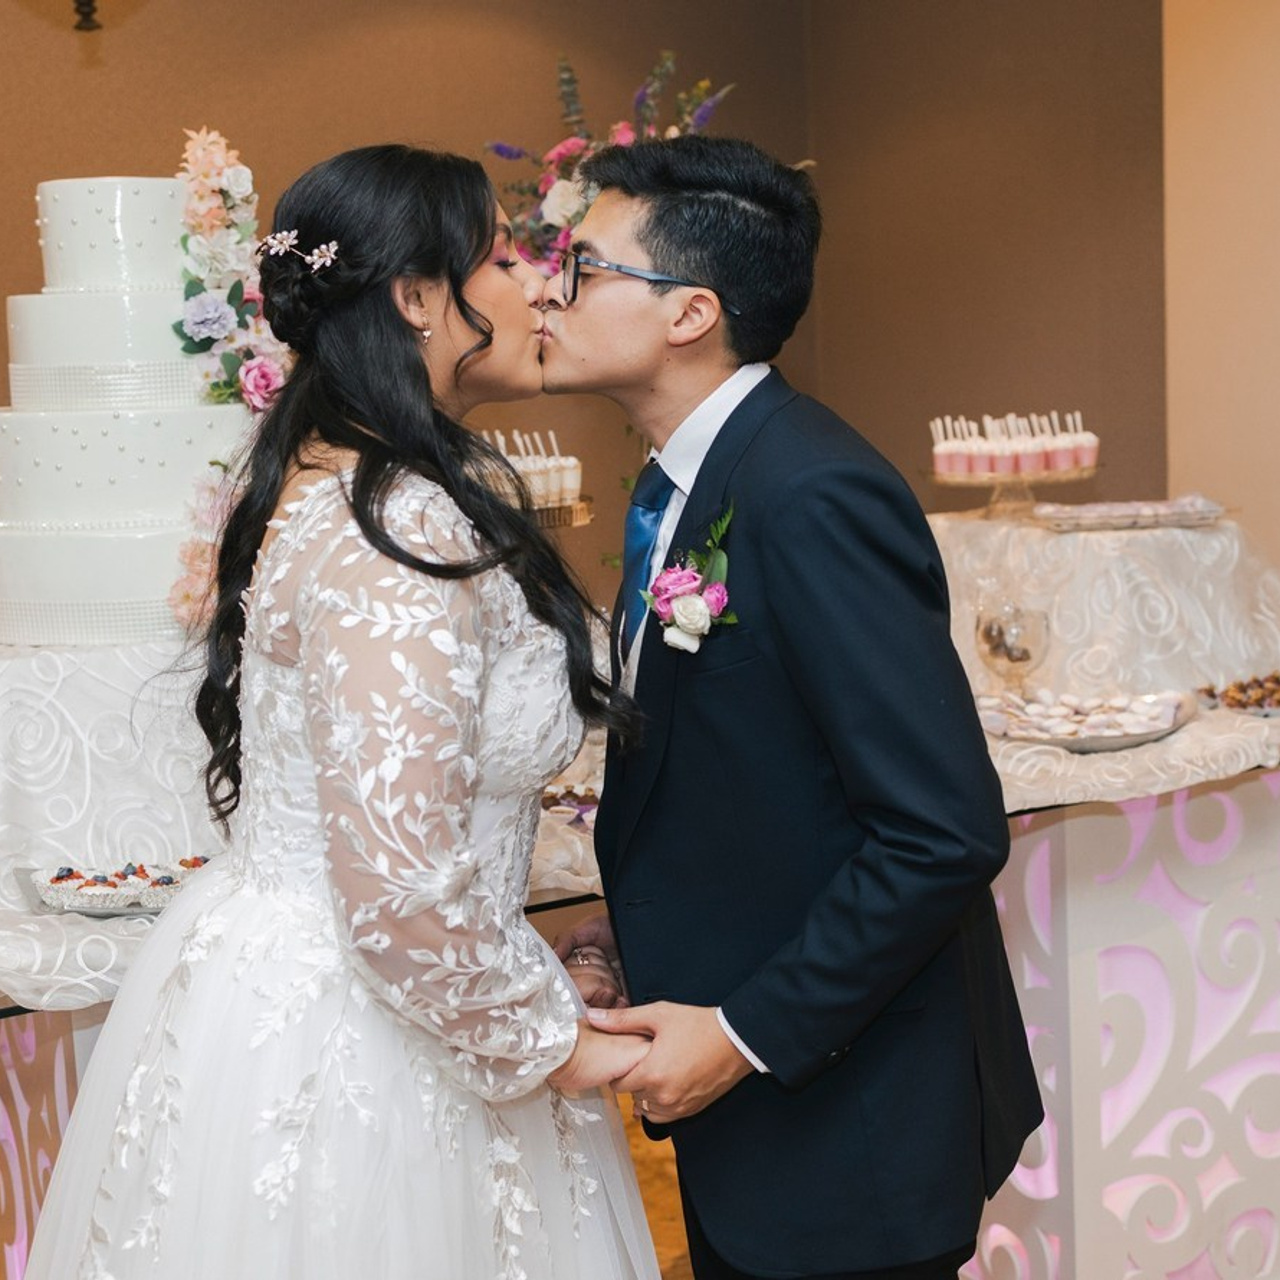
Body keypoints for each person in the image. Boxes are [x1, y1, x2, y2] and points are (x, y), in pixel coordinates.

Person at [25, 145, 661, 1280]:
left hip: (360, 990)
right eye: (500, 257)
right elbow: (400, 888)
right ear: (418, 297)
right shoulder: (398, 533)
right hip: (363, 1040)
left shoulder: (349, 483)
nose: (533, 285)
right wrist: (551, 1042)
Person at [546, 135, 1044, 1280]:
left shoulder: (810, 490)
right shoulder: (684, 482)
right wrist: (644, 923)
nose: (549, 293)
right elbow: (764, 772)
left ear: (688, 313)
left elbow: (941, 830)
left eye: (583, 268)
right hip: (770, 1129)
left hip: (846, 1119)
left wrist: (738, 1033)